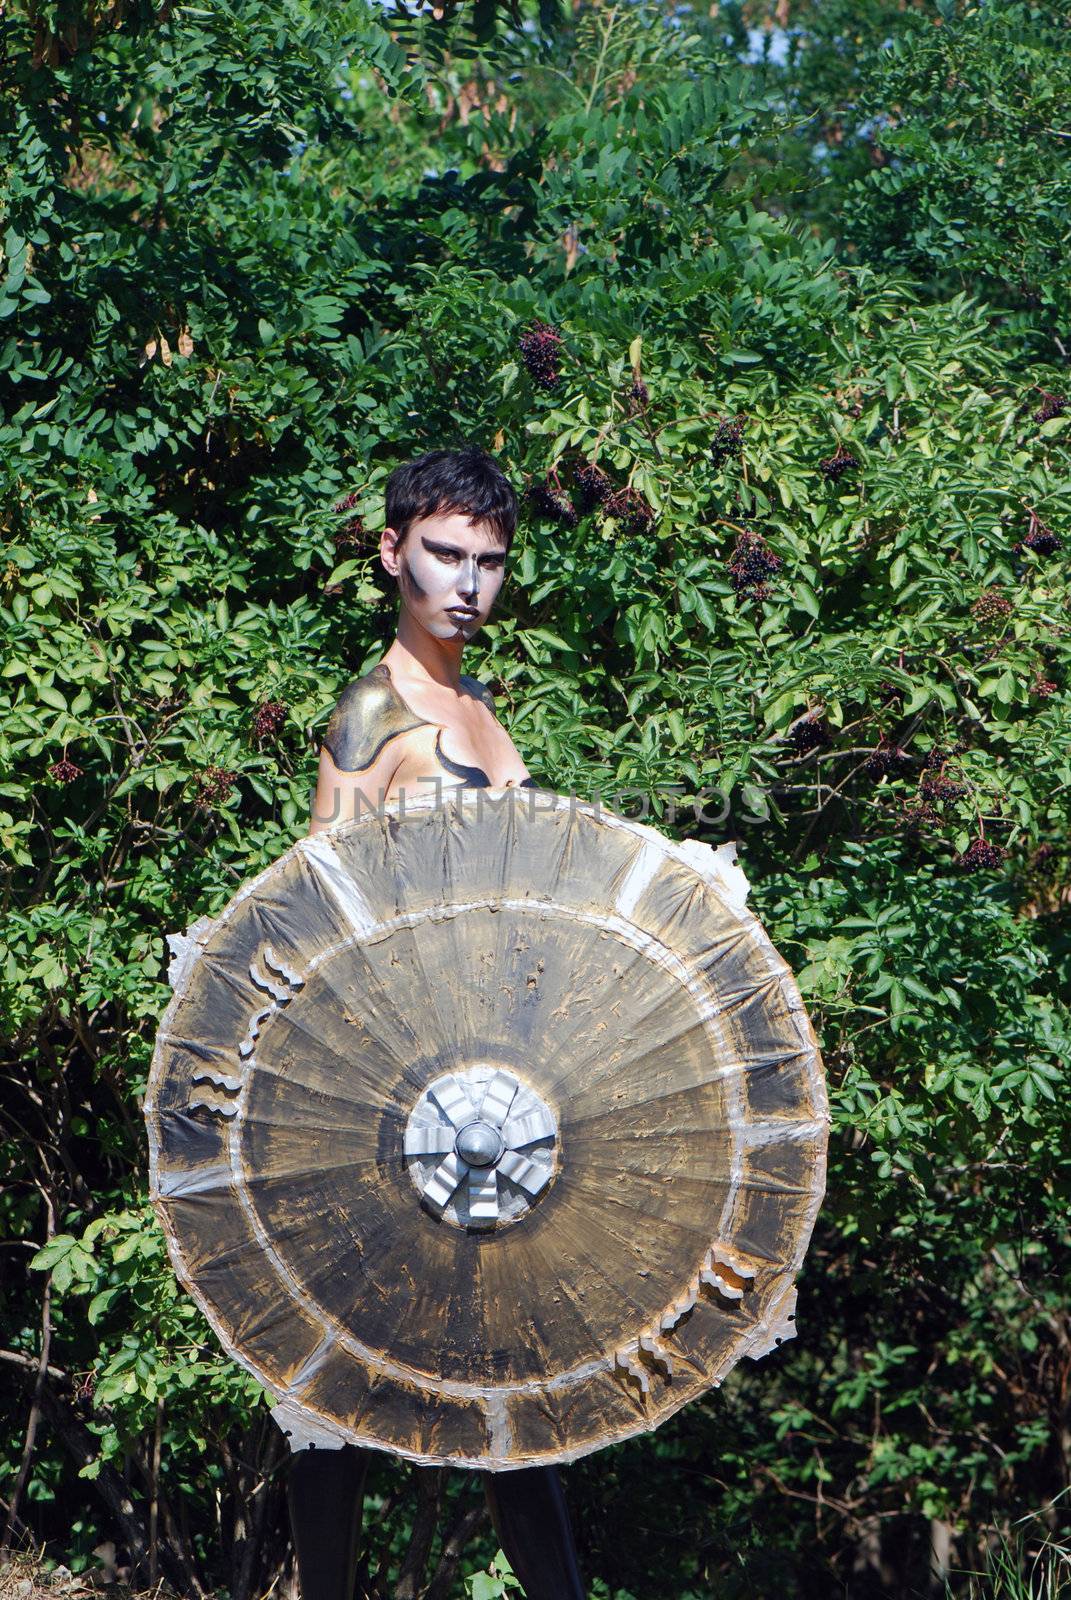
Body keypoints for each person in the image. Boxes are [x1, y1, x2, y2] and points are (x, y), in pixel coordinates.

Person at [289, 447, 586, 1600]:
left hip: (494, 1076)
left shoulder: (478, 707)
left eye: (489, 561)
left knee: (511, 1379)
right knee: (341, 1375)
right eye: (443, 556)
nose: (467, 582)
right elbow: (323, 903)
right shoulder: (370, 714)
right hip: (393, 1083)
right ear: (391, 553)